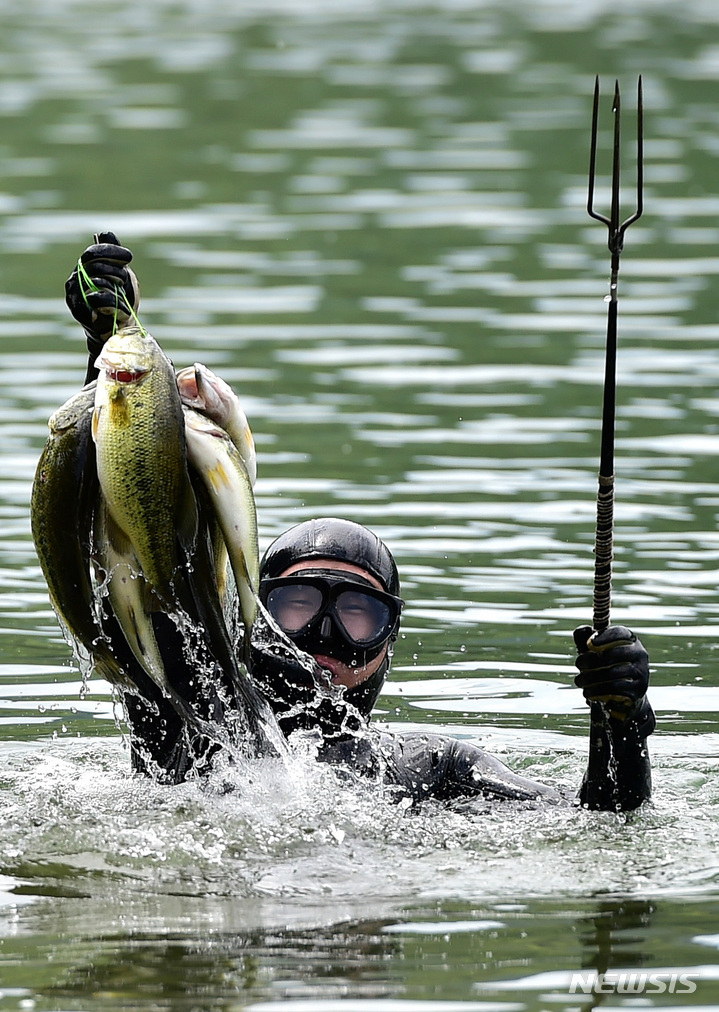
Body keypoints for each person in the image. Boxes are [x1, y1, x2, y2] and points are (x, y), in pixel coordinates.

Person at [62, 235, 655, 811]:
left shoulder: (434, 770)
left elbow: (596, 821)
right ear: (256, 611)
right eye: (297, 604)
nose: (325, 637)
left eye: (357, 613)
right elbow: (136, 549)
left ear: (387, 642)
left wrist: (622, 729)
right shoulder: (193, 716)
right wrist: (108, 347)